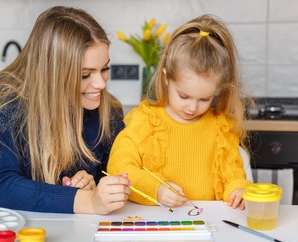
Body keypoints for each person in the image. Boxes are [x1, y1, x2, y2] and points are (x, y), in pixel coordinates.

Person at [0, 6, 131, 214]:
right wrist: (86, 201)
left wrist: (94, 184)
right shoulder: (6, 104)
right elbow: (4, 186)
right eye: (85, 75)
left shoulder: (109, 110)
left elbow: (110, 172)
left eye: (104, 69)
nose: (101, 84)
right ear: (52, 74)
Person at [107, 14, 252, 210]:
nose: (193, 108)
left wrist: (238, 191)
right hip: (156, 224)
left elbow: (232, 173)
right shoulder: (146, 121)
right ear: (167, 78)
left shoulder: (219, 127)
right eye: (184, 96)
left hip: (205, 224)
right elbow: (119, 167)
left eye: (205, 99)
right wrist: (156, 189)